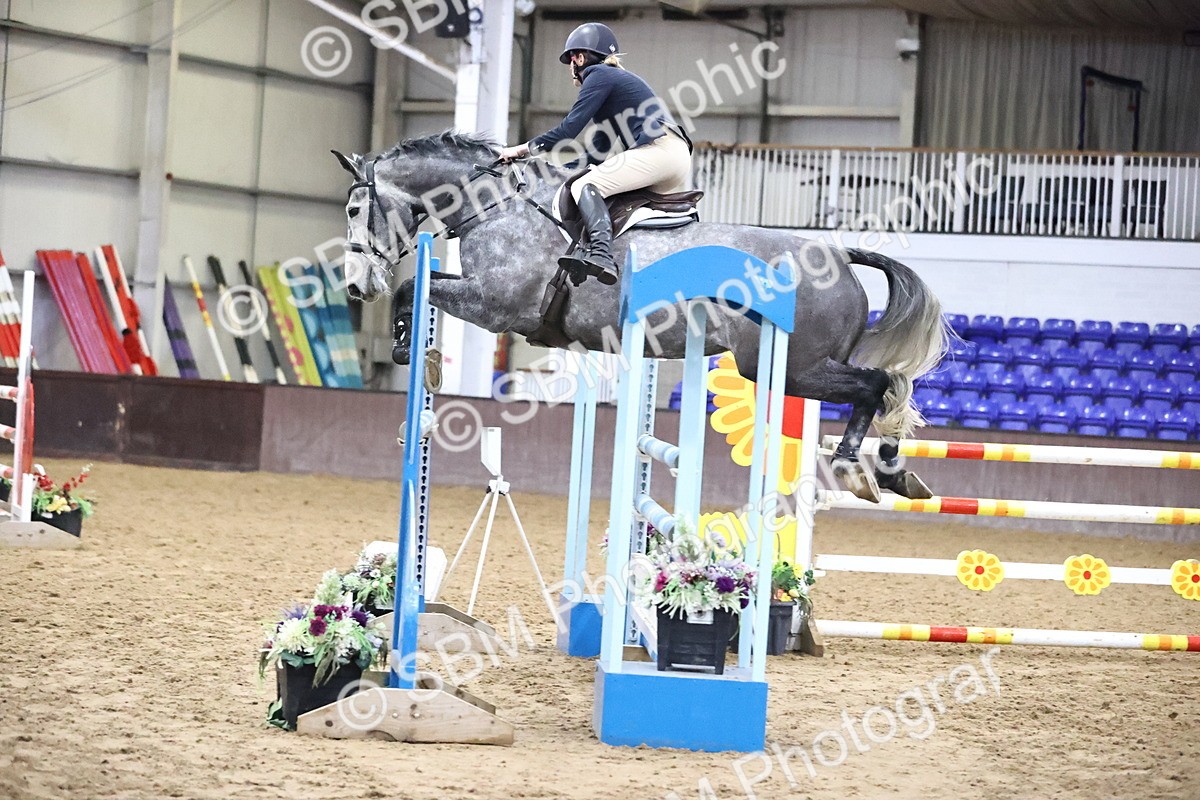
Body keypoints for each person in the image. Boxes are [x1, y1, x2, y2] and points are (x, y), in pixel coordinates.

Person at [499, 22, 692, 285]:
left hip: (660, 151)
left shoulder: (598, 75)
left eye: (571, 60)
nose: (572, 69)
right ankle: (593, 249)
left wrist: (520, 151)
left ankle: (601, 254)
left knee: (586, 185)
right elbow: (596, 154)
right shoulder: (614, 86)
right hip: (671, 159)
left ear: (579, 58)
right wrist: (550, 171)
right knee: (593, 186)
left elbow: (568, 130)